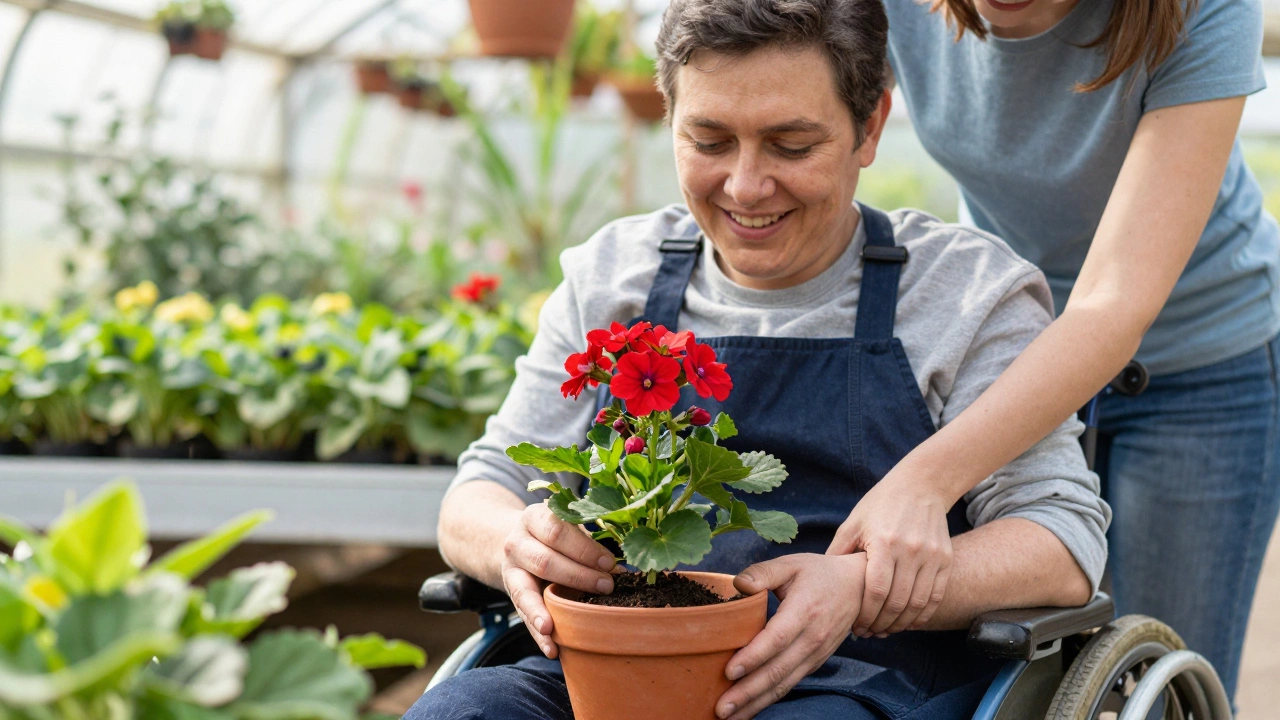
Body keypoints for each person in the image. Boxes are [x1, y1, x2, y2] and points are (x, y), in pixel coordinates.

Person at [403, 2, 1110, 719]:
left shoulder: (964, 291)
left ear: (870, 127)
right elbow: (483, 487)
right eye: (709, 141)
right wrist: (513, 542)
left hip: (858, 679)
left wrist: (862, 587)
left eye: (791, 146)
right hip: (608, 670)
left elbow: (1059, 543)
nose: (745, 185)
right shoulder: (615, 271)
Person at [824, 0, 1280, 700]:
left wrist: (924, 479)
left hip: (1200, 370)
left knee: (1160, 692)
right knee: (1015, 675)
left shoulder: (1206, 10)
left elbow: (1111, 303)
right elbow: (791, 106)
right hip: (1012, 353)